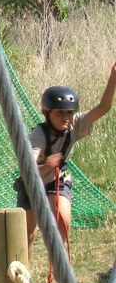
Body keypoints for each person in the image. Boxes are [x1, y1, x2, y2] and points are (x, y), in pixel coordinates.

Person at [15, 66, 116, 260]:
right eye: (60, 113)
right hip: (31, 184)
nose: (65, 118)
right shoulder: (38, 135)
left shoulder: (75, 124)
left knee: (63, 220)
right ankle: (25, 271)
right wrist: (48, 165)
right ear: (47, 113)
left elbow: (103, 108)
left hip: (56, 181)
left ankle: (58, 266)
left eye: (69, 113)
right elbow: (26, 171)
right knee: (28, 234)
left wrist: (113, 77)